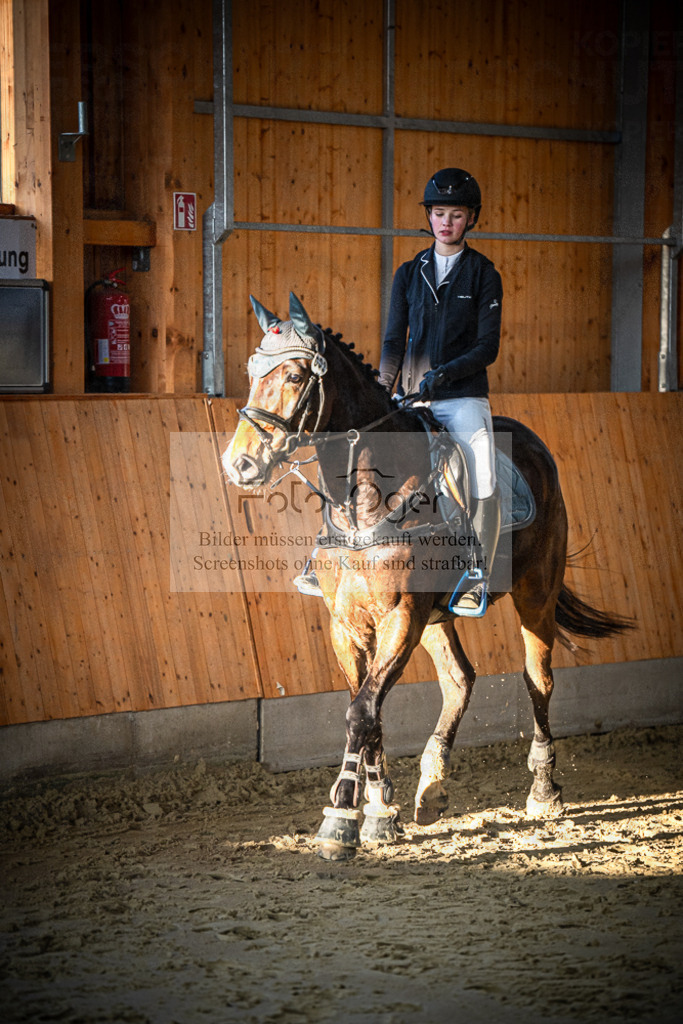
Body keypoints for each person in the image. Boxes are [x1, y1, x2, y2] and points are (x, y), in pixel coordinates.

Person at [378, 167, 502, 614]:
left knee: (482, 475)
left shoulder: (484, 274)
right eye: (438, 213)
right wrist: (382, 388)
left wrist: (445, 375)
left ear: (471, 219)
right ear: (428, 217)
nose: (446, 222)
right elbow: (394, 342)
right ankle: (325, 552)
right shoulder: (409, 273)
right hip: (412, 397)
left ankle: (477, 574)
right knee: (362, 455)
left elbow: (487, 346)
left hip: (463, 398)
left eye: (456, 214)